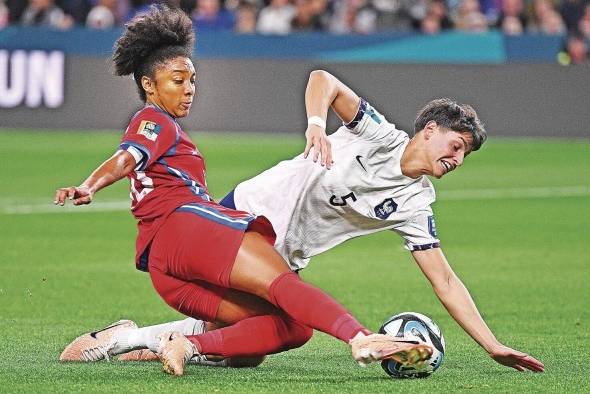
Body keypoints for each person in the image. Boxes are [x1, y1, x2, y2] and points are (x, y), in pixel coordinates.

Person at [59, 33, 545, 373]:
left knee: (251, 350)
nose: (457, 158)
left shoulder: (416, 203)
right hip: (245, 212)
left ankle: (139, 338)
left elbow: (445, 280)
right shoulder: (380, 136)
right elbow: (323, 79)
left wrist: (493, 346)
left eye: (465, 154)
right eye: (455, 146)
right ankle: (355, 338)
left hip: (285, 251)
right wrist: (316, 124)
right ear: (430, 130)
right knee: (275, 308)